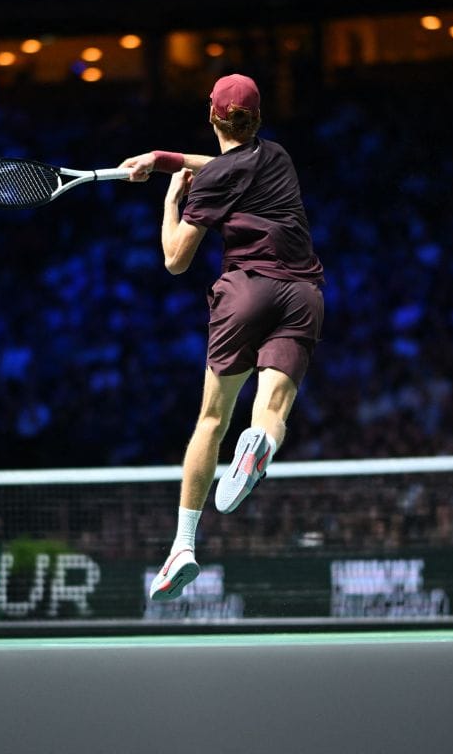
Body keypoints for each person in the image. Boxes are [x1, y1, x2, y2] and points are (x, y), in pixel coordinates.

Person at [119, 74, 324, 601]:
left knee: (212, 420)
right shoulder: (277, 156)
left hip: (246, 292)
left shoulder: (211, 181)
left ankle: (183, 546)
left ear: (211, 115)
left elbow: (175, 259)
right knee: (271, 411)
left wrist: (171, 200)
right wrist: (158, 158)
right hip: (302, 295)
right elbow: (222, 164)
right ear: (256, 119)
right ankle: (261, 445)